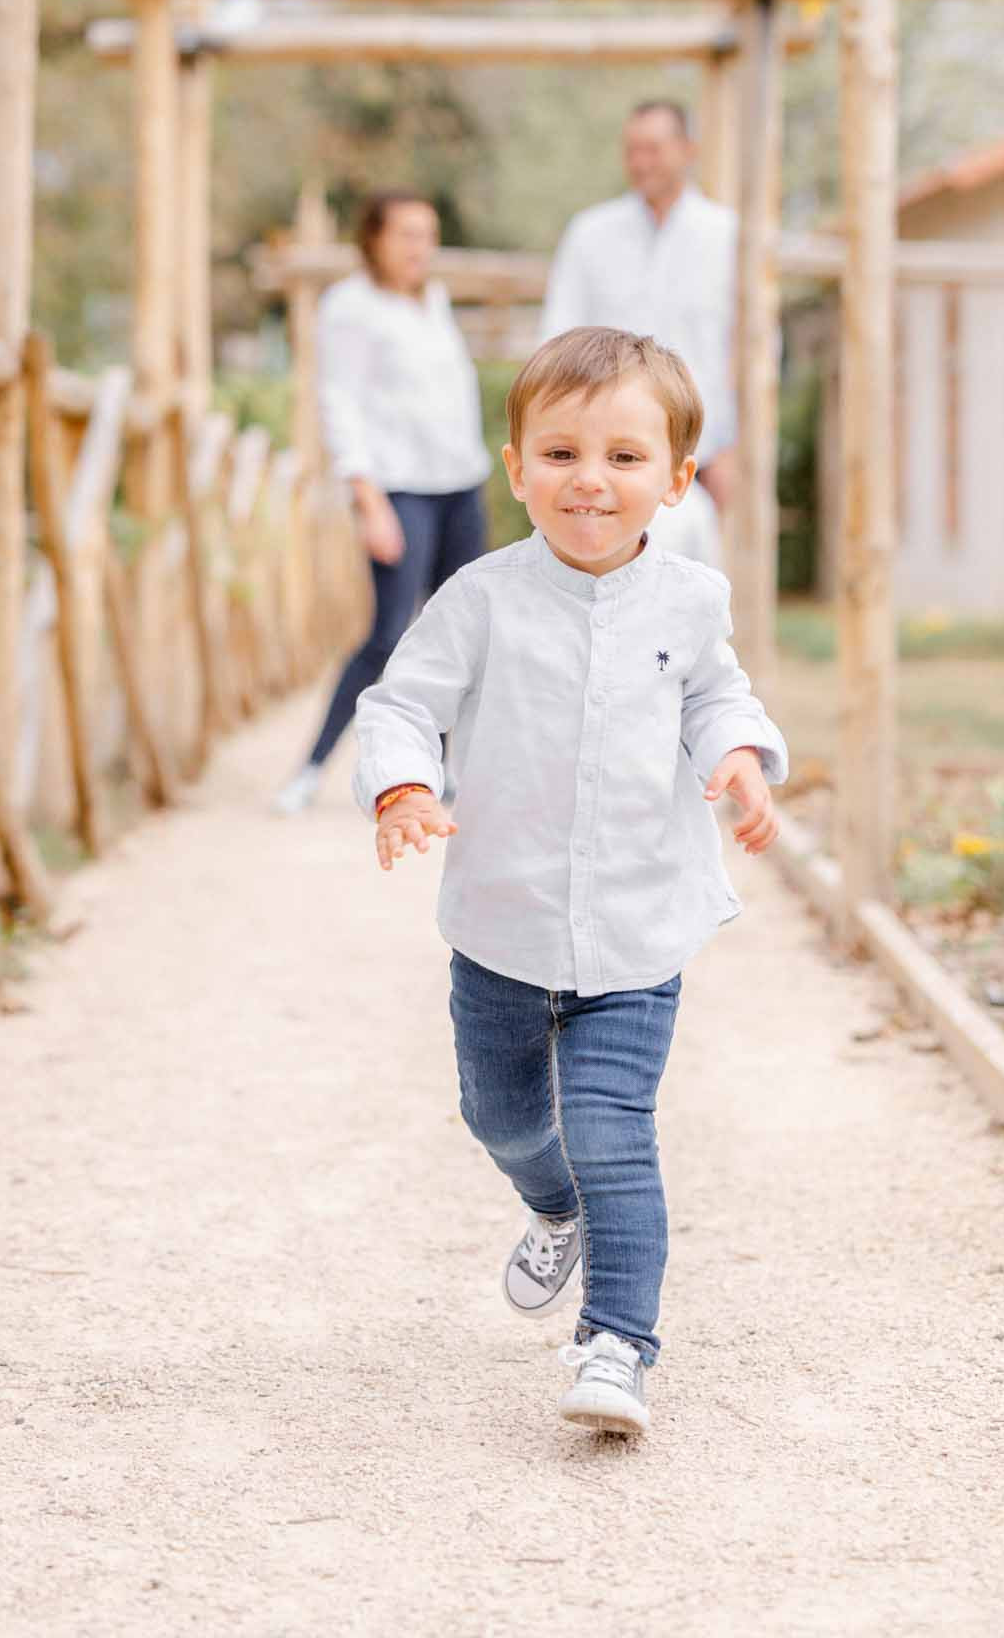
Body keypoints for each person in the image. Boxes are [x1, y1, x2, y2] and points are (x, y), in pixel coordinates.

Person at [352, 324, 785, 1440]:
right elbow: (401, 705)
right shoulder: (480, 599)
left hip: (638, 926)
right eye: (560, 454)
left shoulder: (691, 599)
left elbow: (717, 697)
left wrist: (741, 756)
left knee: (611, 1128)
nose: (590, 479)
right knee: (499, 1118)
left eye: (624, 457)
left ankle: (617, 1344)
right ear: (516, 470)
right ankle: (555, 1209)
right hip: (505, 922)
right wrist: (403, 787)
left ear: (676, 479)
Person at [271, 189, 490, 815]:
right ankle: (311, 768)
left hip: (460, 483)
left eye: (429, 235)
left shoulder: (433, 301)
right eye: (407, 235)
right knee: (389, 634)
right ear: (374, 239)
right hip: (399, 488)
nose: (421, 248)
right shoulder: (349, 307)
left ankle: (441, 768)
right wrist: (368, 502)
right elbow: (339, 404)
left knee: (457, 634)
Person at [541, 98, 738, 561]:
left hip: (706, 449)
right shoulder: (590, 234)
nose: (640, 162)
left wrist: (734, 446)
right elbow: (557, 342)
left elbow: (749, 349)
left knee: (698, 577)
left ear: (687, 150)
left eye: (653, 149)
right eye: (632, 150)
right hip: (607, 452)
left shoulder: (728, 236)